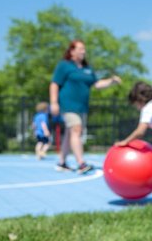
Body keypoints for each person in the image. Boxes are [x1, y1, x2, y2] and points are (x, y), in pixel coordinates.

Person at [49, 39, 122, 174]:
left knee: (71, 133)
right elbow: (54, 84)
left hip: (81, 107)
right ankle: (81, 163)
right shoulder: (64, 66)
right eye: (80, 49)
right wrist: (54, 102)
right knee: (76, 129)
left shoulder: (87, 69)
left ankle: (62, 162)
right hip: (68, 105)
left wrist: (111, 81)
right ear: (72, 51)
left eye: (84, 49)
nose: (84, 51)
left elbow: (97, 84)